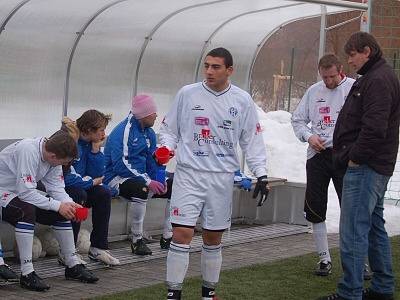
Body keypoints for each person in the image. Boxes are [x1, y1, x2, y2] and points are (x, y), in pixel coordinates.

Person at [159, 47, 269, 300]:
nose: (209, 71)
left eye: (216, 67)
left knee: (212, 237)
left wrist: (261, 174)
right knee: (182, 233)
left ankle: (208, 292)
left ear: (229, 70)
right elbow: (169, 130)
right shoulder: (187, 94)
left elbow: (252, 140)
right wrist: (165, 148)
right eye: (206, 66)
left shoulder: (242, 100)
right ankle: (173, 292)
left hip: (221, 177)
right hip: (189, 174)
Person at [319, 32, 400, 300]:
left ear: (367, 51)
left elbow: (374, 128)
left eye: (352, 55)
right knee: (375, 226)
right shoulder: (377, 76)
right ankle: (382, 288)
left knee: (353, 230)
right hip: (375, 166)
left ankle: (350, 292)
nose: (350, 61)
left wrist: (355, 157)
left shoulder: (377, 79)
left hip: (366, 168)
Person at [0, 131, 98, 291]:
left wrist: (70, 204)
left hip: (19, 191)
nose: (64, 166)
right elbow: (26, 193)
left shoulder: (53, 156)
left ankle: (72, 265)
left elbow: (57, 188)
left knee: (62, 210)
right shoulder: (28, 150)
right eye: (64, 162)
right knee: (26, 211)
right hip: (2, 190)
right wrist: (58, 205)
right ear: (53, 156)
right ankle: (27, 273)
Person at [291, 54, 354, 276]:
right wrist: (309, 137)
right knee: (316, 207)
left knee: (350, 207)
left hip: (345, 156)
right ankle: (324, 259)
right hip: (317, 157)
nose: (328, 81)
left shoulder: (353, 89)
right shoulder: (314, 91)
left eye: (332, 77)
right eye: (324, 77)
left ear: (341, 70)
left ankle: (358, 260)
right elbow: (297, 120)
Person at [104, 94, 173, 255]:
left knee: (174, 185)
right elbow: (121, 165)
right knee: (141, 188)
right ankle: (137, 240)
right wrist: (148, 182)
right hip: (116, 178)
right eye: (153, 113)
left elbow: (149, 160)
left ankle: (168, 237)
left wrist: (158, 166)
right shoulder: (123, 131)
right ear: (143, 114)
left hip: (140, 176)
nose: (156, 115)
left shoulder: (148, 132)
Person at [61, 110, 120, 266]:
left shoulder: (89, 144)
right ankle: (68, 251)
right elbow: (66, 177)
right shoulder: (69, 140)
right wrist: (90, 183)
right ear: (88, 130)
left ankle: (97, 248)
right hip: (60, 189)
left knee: (103, 193)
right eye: (101, 130)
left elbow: (98, 175)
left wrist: (95, 150)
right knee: (78, 194)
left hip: (79, 185)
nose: (104, 134)